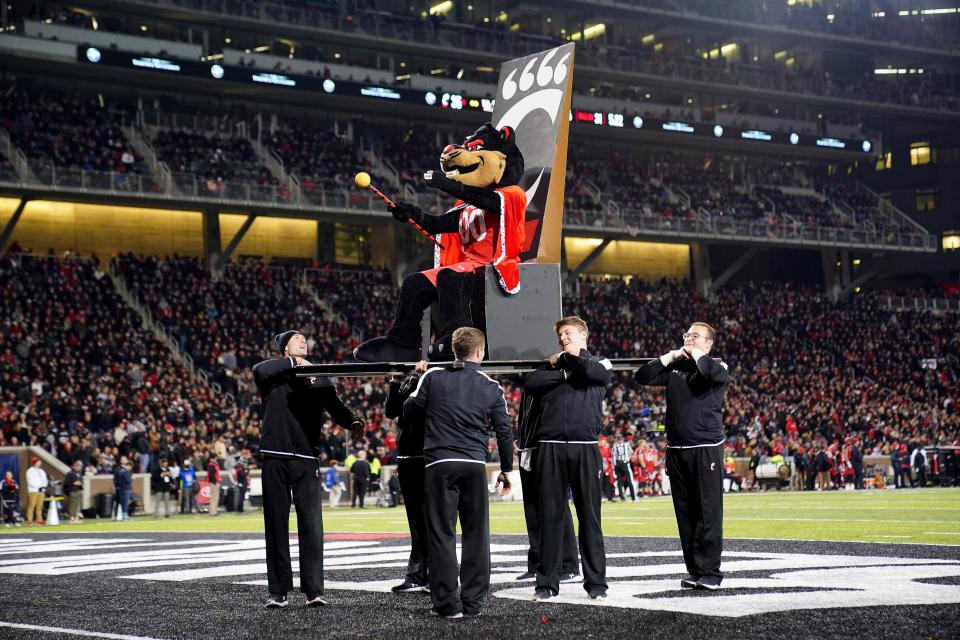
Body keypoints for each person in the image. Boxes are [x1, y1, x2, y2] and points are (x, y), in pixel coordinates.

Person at [403, 327, 513, 619]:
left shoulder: (433, 377)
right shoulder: (491, 386)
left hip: (439, 464)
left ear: (454, 350)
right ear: (480, 352)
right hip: (474, 466)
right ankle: (473, 603)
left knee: (441, 534)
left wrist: (415, 377)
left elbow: (410, 411)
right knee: (477, 534)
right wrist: (506, 470)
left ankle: (447, 605)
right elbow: (504, 431)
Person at [253, 329, 364, 609]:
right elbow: (258, 370)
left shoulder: (319, 375)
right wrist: (294, 364)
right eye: (296, 339)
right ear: (285, 349)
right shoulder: (274, 371)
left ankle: (314, 590)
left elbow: (334, 405)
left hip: (306, 457)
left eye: (305, 338)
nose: (303, 340)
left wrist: (352, 422)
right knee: (276, 524)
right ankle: (278, 592)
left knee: (312, 525)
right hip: (275, 454)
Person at [634, 321, 729, 590]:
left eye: (695, 336)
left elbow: (713, 374)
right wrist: (669, 356)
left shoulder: (717, 365)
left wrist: (697, 353)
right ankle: (695, 570)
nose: (688, 338)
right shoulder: (675, 368)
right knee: (685, 514)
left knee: (707, 512)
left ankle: (711, 571)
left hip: (705, 449)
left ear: (708, 343)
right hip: (676, 450)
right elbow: (641, 376)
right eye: (687, 334)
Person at [524, 316, 611, 601]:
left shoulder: (599, 363)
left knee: (590, 518)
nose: (563, 337)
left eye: (568, 332)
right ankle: (546, 584)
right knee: (550, 518)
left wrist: (565, 360)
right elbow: (531, 382)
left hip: (586, 447)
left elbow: (597, 374)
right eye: (560, 334)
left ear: (583, 334)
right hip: (549, 447)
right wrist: (562, 371)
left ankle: (596, 583)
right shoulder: (552, 366)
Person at [515, 373, 579, 583]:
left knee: (557, 506)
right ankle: (536, 563)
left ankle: (569, 564)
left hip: (545, 447)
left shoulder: (552, 377)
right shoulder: (530, 380)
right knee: (532, 510)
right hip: (526, 447)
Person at [612, 434, 636, 501]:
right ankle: (633, 497)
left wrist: (614, 466)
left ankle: (622, 497)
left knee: (619, 481)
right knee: (629, 480)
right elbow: (631, 453)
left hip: (618, 464)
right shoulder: (626, 445)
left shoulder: (615, 446)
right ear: (622, 439)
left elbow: (614, 456)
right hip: (625, 463)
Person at [25, 457, 47, 526]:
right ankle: (29, 521)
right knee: (31, 506)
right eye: (38, 462)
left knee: (39, 507)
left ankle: (39, 521)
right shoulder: (30, 471)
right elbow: (30, 482)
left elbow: (45, 480)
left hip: (41, 491)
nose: (40, 463)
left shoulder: (42, 471)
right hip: (33, 491)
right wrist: (38, 487)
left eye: (40, 462)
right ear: (35, 462)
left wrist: (43, 487)